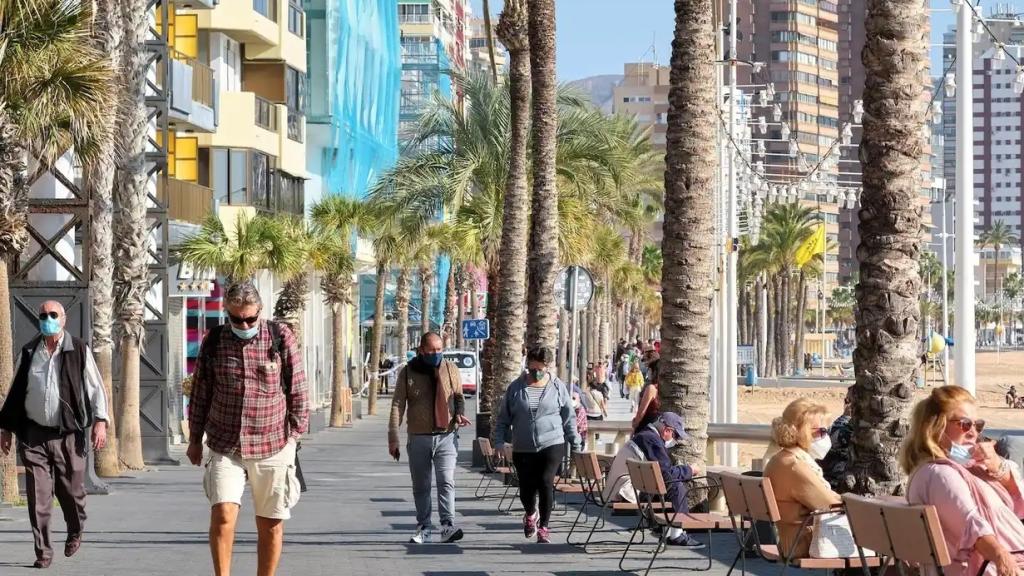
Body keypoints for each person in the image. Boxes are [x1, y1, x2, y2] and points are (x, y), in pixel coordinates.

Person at [187, 282, 309, 576]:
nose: (244, 324)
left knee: (270, 523)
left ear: (260, 312)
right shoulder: (215, 340)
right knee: (223, 513)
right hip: (224, 443)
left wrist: (293, 438)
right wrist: (194, 438)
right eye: (236, 319)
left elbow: (299, 392)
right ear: (227, 313)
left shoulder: (279, 338)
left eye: (250, 319)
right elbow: (201, 391)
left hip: (273, 444)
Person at [0, 301, 108, 569]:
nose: (48, 319)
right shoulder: (29, 351)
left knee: (72, 491)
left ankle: (75, 527)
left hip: (68, 435)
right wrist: (6, 428)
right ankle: (43, 552)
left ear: (64, 319)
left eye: (53, 315)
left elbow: (96, 388)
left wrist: (100, 421)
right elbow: (15, 393)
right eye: (43, 315)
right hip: (34, 434)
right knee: (38, 495)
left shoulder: (79, 349)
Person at [902, 386, 1024, 576]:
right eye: (964, 424)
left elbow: (1017, 504)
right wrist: (1001, 557)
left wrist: (998, 468)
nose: (973, 433)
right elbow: (974, 529)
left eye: (978, 426)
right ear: (936, 427)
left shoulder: (964, 469)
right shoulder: (940, 475)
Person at [388, 332, 471, 545]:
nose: (436, 354)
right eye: (432, 350)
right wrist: (393, 437)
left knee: (446, 482)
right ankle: (424, 527)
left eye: (439, 349)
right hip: (419, 438)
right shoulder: (408, 373)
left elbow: (458, 396)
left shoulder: (450, 369)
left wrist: (459, 413)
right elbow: (398, 404)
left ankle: (447, 526)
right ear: (422, 350)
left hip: (446, 436)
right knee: (422, 485)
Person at [494, 347, 581, 544]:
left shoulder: (558, 387)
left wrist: (575, 444)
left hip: (552, 442)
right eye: (532, 369)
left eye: (540, 369)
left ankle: (544, 528)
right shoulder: (515, 388)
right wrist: (499, 441)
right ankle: (530, 513)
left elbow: (569, 417)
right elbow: (503, 419)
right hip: (523, 446)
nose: (536, 373)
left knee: (545, 482)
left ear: (548, 367)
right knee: (526, 488)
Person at [763, 398, 843, 559]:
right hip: (804, 542)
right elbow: (829, 504)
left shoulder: (779, 459)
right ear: (802, 430)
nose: (824, 437)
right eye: (821, 432)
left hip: (789, 539)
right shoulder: (795, 465)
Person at [630, 412, 704, 548]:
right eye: (675, 435)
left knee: (671, 483)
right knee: (676, 486)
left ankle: (667, 528)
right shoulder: (652, 440)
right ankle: (677, 534)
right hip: (629, 492)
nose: (675, 440)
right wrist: (689, 470)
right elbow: (666, 475)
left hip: (632, 487)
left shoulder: (644, 435)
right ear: (667, 430)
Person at [819, 390, 853, 492]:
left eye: (848, 401)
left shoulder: (847, 428)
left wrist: (846, 416)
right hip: (834, 488)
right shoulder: (843, 427)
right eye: (847, 401)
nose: (847, 404)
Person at [632, 359, 661, 432]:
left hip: (647, 425)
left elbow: (642, 412)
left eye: (650, 370)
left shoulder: (651, 388)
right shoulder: (662, 388)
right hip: (657, 425)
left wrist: (635, 424)